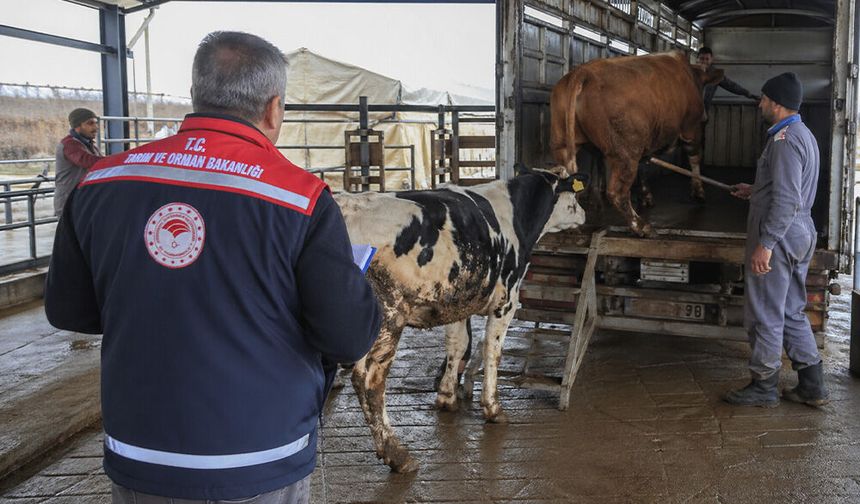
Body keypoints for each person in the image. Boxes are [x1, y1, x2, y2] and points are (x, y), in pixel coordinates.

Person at [44, 31, 381, 503]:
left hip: (141, 453)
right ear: (273, 108)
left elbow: (67, 311)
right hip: (260, 455)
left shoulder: (101, 182)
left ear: (197, 96)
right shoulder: (299, 198)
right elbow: (348, 337)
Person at [725, 72, 829, 408]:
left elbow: (786, 200)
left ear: (778, 104)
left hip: (782, 233)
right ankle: (812, 384)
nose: (760, 104)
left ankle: (764, 384)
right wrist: (756, 191)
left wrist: (766, 243)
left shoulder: (784, 141)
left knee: (766, 312)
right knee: (790, 311)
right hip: (800, 230)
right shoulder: (802, 134)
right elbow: (789, 189)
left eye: (765, 99)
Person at [54, 107, 103, 216]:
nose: (96, 127)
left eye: (96, 123)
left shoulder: (90, 145)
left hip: (83, 201)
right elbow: (87, 161)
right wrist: (118, 160)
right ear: (77, 126)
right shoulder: (70, 144)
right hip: (69, 203)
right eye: (90, 123)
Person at [697, 47, 759, 113]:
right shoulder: (690, 72)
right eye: (702, 59)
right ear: (697, 59)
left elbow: (732, 86)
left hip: (703, 113)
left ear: (711, 59)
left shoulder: (715, 74)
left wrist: (749, 94)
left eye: (707, 59)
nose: (704, 62)